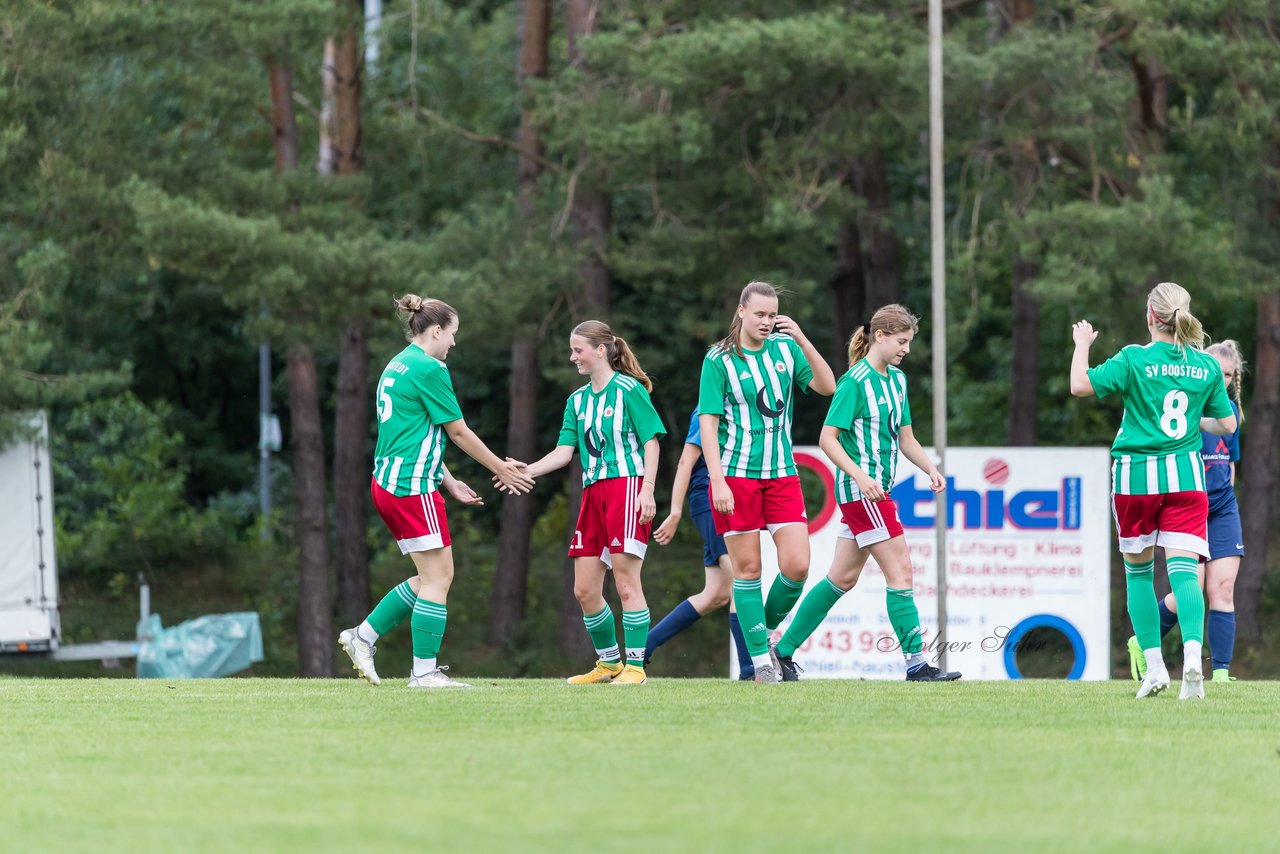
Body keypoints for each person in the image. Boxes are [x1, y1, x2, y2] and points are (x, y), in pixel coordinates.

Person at [338, 294, 534, 689]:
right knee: (440, 576)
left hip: (390, 483)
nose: (454, 344)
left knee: (429, 578)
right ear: (436, 330)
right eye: (453, 334)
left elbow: (412, 431)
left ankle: (363, 637)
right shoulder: (430, 368)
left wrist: (448, 479)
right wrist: (500, 468)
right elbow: (457, 431)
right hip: (411, 487)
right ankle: (423, 673)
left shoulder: (398, 364)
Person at [770, 305, 960, 682]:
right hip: (864, 493)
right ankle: (916, 665)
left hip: (876, 490)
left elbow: (905, 438)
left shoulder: (897, 381)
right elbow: (828, 438)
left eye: (909, 342)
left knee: (841, 578)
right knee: (901, 571)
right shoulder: (854, 381)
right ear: (880, 336)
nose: (906, 348)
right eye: (902, 341)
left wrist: (931, 468)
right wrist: (859, 476)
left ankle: (782, 651)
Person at [1070, 282, 1236, 700]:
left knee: (1139, 573)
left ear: (1150, 316)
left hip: (1136, 476)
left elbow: (1080, 386)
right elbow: (1228, 425)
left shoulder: (1133, 357)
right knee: (1184, 574)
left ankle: (1156, 667)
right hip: (1186, 475)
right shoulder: (1206, 366)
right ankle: (1195, 660)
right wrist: (1194, 420)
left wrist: (1081, 344)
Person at [698, 281, 836, 683]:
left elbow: (826, 386)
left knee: (797, 566)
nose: (766, 321)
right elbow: (708, 423)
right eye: (759, 314)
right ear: (741, 312)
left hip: (782, 475)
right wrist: (718, 481)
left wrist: (803, 339)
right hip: (736, 477)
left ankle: (762, 638)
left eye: (772, 315)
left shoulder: (787, 350)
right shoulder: (718, 359)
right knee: (748, 570)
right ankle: (760, 664)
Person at [518, 320, 665, 685]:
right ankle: (610, 664)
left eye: (578, 350)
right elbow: (564, 453)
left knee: (627, 583)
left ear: (601, 350)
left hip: (627, 488)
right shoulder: (577, 401)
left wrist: (647, 490)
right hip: (593, 493)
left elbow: (652, 442)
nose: (573, 357)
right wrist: (525, 471)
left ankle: (635, 667)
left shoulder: (630, 390)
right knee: (584, 590)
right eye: (572, 351)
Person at [1128, 339, 1247, 683]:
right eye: (1218, 372)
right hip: (1187, 505)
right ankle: (1142, 640)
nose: (1223, 380)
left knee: (1222, 589)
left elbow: (1230, 461)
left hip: (1222, 508)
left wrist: (1226, 496)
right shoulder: (1186, 406)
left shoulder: (1231, 412)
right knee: (1187, 592)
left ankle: (1221, 674)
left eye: (1229, 374)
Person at [645, 408, 755, 680]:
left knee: (716, 593)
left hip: (730, 499)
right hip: (710, 500)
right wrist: (674, 512)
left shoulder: (746, 400)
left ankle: (644, 645)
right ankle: (751, 671)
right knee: (740, 581)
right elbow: (686, 461)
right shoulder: (709, 407)